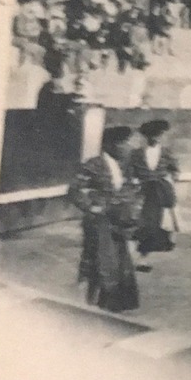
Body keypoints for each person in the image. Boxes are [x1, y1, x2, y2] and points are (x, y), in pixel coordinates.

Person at [68, 125, 142, 313]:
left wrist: (130, 208)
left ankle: (114, 304)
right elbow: (75, 190)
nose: (126, 147)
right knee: (102, 259)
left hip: (121, 220)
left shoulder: (126, 166)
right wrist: (91, 207)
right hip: (99, 220)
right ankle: (92, 303)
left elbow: (134, 188)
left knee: (120, 260)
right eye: (122, 143)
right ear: (109, 145)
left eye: (126, 143)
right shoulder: (93, 164)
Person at [128, 118, 180, 267]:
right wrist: (134, 181)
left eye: (159, 135)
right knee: (136, 223)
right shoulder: (136, 153)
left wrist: (170, 180)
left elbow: (175, 170)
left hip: (160, 192)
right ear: (146, 136)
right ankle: (132, 256)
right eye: (152, 135)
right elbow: (130, 172)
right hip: (141, 192)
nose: (156, 138)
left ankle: (143, 258)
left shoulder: (166, 152)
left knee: (154, 225)